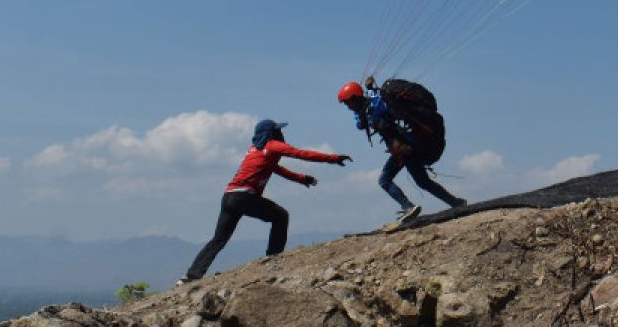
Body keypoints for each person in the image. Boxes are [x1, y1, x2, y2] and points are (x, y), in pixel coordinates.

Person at [179, 119, 350, 283]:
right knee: (281, 216)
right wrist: (333, 158)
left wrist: (301, 178)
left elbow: (276, 169)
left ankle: (191, 276)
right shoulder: (272, 145)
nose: (281, 134)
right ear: (272, 133)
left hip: (229, 197)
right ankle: (273, 260)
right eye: (278, 131)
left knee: (219, 239)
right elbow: (301, 154)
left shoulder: (254, 150)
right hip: (244, 197)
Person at [337, 79, 465, 225]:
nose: (347, 106)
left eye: (348, 102)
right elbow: (362, 120)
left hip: (405, 149)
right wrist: (370, 88)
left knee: (387, 181)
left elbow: (366, 118)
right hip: (404, 148)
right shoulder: (370, 105)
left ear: (355, 98)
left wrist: (369, 96)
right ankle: (455, 202)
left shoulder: (373, 109)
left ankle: (409, 207)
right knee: (422, 182)